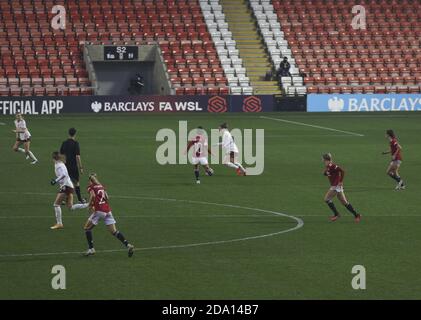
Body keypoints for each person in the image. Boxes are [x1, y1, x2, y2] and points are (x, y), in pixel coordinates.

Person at [83, 173, 135, 257]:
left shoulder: (91, 187)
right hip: (107, 210)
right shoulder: (101, 186)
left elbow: (92, 196)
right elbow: (107, 197)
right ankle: (128, 245)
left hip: (99, 211)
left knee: (86, 228)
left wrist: (89, 206)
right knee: (114, 231)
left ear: (90, 181)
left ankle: (91, 249)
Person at [50, 152, 89, 230]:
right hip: (68, 186)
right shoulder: (60, 164)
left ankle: (59, 223)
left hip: (66, 186)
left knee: (56, 204)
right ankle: (89, 204)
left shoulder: (59, 165)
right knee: (70, 207)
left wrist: (55, 180)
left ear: (54, 159)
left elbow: (64, 174)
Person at [322, 153, 361, 223]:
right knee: (344, 202)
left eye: (323, 159)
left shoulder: (332, 165)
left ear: (325, 159)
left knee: (327, 199)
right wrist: (325, 172)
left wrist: (341, 181)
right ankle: (357, 215)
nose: (322, 160)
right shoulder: (328, 166)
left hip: (336, 186)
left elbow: (342, 171)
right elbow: (327, 173)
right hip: (336, 186)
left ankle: (336, 214)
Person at [60, 128, 85, 203]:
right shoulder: (75, 143)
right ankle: (80, 199)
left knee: (65, 182)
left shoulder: (64, 143)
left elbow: (61, 154)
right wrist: (80, 167)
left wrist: (63, 163)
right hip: (73, 166)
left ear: (68, 133)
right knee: (76, 182)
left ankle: (63, 200)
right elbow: (77, 156)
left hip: (65, 166)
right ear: (75, 134)